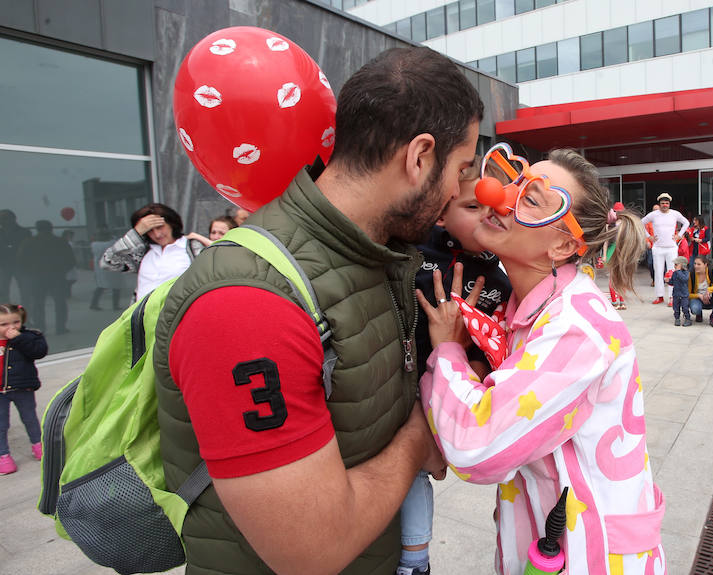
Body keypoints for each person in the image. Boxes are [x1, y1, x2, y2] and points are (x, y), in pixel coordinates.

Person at [151, 46, 483, 575]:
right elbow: (312, 551)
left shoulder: (378, 254)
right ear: (419, 157)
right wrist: (421, 436)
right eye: (460, 169)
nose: (458, 192)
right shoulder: (245, 304)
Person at [418, 149, 665, 575]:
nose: (500, 196)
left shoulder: (576, 325)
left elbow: (477, 448)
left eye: (532, 199)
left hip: (593, 556)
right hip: (548, 545)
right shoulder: (526, 307)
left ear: (564, 245)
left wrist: (448, 352)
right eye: (515, 182)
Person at [400, 160, 512, 575]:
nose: (488, 213)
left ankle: (415, 561)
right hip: (394, 380)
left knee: (416, 472)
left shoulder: (501, 281)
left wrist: (471, 358)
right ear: (441, 215)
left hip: (439, 393)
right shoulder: (411, 248)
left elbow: (495, 351)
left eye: (493, 207)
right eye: (472, 206)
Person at [100, 203, 207, 301]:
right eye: (149, 230)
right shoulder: (144, 251)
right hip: (142, 318)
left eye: (160, 227)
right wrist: (136, 233)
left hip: (177, 318)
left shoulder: (191, 247)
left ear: (172, 224)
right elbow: (108, 262)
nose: (157, 234)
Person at [0, 303, 48, 475]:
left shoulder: (30, 337)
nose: (11, 327)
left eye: (16, 322)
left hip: (23, 388)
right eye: (4, 324)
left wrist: (18, 338)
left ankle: (39, 445)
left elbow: (39, 351)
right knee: (2, 424)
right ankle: (3, 455)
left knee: (30, 418)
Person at [15, 220, 75, 334]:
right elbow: (71, 260)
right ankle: (60, 327)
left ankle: (40, 327)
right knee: (60, 302)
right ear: (51, 228)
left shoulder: (29, 242)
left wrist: (29, 273)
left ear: (37, 229)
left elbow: (21, 260)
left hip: (37, 277)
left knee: (38, 303)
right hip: (57, 276)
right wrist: (62, 270)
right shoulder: (60, 242)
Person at [642, 193, 689, 306]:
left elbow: (686, 222)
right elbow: (640, 223)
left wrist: (680, 235)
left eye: (666, 203)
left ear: (669, 204)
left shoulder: (675, 214)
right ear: (659, 204)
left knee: (672, 273)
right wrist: (649, 237)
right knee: (658, 273)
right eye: (662, 203)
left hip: (671, 248)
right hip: (657, 248)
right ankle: (659, 296)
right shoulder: (653, 214)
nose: (664, 205)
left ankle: (672, 298)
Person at [0, 210, 30, 303]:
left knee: (25, 291)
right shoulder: (24, 232)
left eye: (5, 218)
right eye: (2, 219)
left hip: (20, 265)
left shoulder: (24, 232)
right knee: (3, 291)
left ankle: (26, 311)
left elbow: (28, 249)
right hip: (4, 265)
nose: (3, 221)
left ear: (13, 219)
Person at [604, 201, 628, 310]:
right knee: (613, 278)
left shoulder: (627, 224)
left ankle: (622, 301)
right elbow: (605, 241)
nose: (619, 213)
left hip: (623, 251)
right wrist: (604, 255)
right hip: (612, 251)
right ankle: (614, 302)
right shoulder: (609, 225)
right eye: (616, 211)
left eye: (620, 211)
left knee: (622, 278)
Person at [667, 255, 691, 326]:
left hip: (684, 294)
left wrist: (678, 271)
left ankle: (687, 319)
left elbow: (684, 279)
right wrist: (667, 281)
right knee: (676, 308)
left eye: (676, 264)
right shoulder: (675, 273)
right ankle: (677, 318)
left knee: (685, 307)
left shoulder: (686, 273)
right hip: (676, 294)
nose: (674, 266)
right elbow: (672, 282)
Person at [644, 203, 659, 286]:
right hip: (652, 246)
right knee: (650, 263)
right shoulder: (648, 221)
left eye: (657, 210)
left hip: (661, 246)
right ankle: (654, 279)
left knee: (661, 265)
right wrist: (647, 241)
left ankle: (658, 280)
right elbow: (645, 232)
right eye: (654, 210)